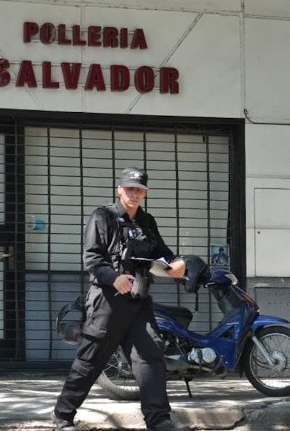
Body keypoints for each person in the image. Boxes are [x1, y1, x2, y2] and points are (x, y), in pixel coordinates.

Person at [52, 167, 188, 431]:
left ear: (145, 194)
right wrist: (114, 277)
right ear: (119, 189)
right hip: (108, 301)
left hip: (138, 301)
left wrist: (177, 263)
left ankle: (159, 420)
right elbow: (92, 258)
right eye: (130, 189)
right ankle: (62, 416)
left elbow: (162, 253)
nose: (134, 194)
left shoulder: (147, 222)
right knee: (91, 359)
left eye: (139, 190)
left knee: (151, 357)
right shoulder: (102, 217)